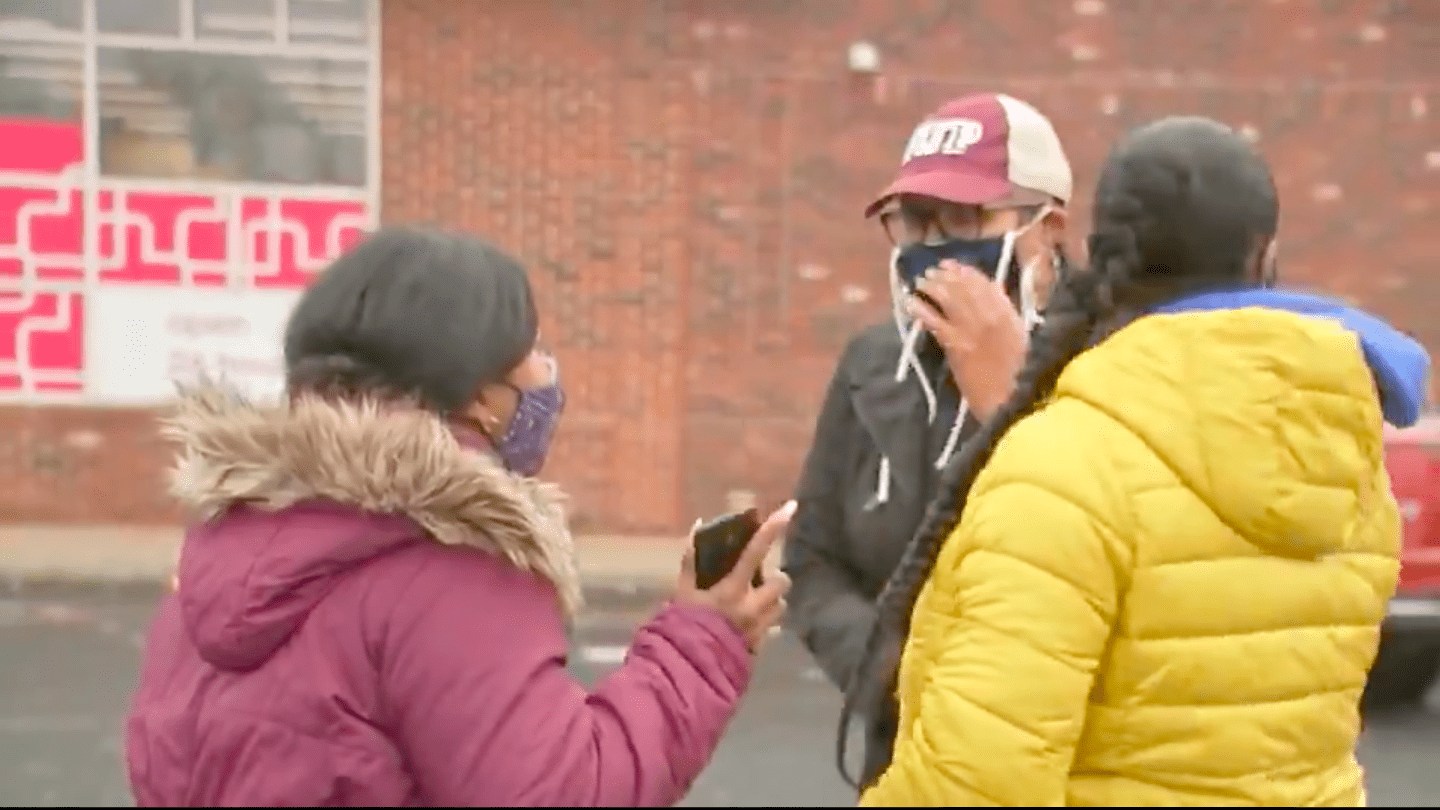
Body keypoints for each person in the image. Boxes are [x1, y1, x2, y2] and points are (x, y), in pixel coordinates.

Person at [845, 116, 1430, 806]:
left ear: (1098, 251)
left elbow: (976, 783)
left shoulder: (1061, 466)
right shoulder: (1348, 456)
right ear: (1265, 253)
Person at [124, 226, 793, 807]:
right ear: (479, 394)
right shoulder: (451, 555)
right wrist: (703, 641)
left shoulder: (226, 536)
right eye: (532, 347)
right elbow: (563, 793)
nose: (547, 371)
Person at [780, 91, 1074, 768]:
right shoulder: (873, 366)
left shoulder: (1106, 361)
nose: (939, 246)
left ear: (1049, 229)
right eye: (918, 222)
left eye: (969, 216)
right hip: (905, 758)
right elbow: (812, 558)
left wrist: (1010, 398)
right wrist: (889, 671)